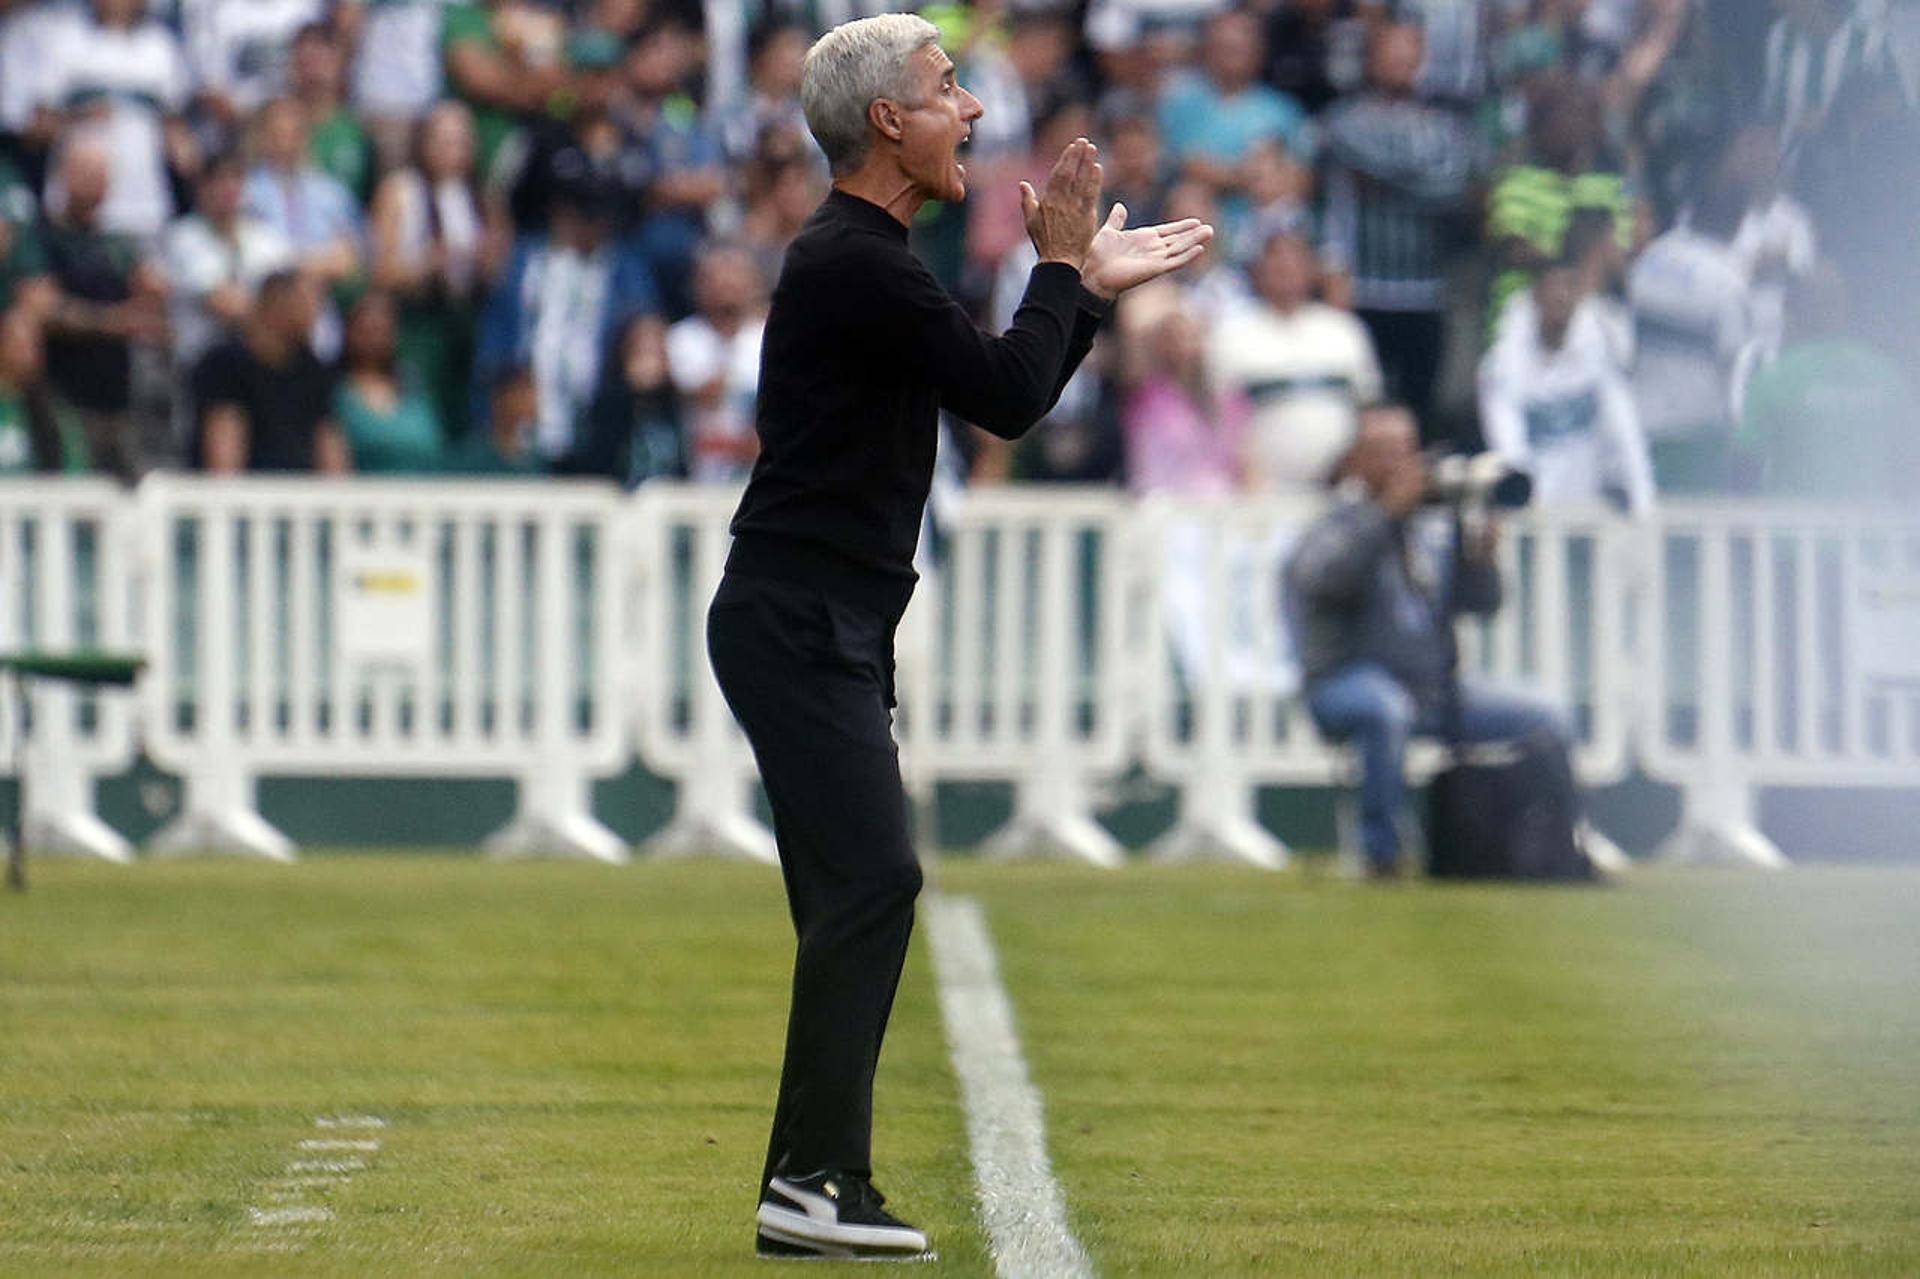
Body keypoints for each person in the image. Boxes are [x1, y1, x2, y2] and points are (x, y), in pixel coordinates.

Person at [706, 14, 1210, 1261]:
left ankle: (808, 1181)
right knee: (872, 885)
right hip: (800, 617)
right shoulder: (860, 258)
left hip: (815, 616)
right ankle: (814, 1180)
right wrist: (1067, 274)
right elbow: (1004, 393)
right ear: (887, 121)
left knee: (851, 897)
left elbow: (1010, 390)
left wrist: (1074, 286)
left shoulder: (865, 256)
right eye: (947, 89)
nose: (974, 110)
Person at [1285, 404, 1572, 878]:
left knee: (1547, 713)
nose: (1398, 463)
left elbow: (1481, 606)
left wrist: (1481, 560)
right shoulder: (1335, 523)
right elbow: (1326, 581)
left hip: (1433, 689)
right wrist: (1384, 517)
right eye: (1381, 451)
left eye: (1404, 450)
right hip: (1344, 681)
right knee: (1386, 708)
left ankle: (1557, 848)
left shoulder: (1431, 528)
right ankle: (1381, 855)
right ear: (1354, 460)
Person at [1317, 22, 1477, 434]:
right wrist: (1423, 184)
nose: (1400, 60)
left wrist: (1387, 185)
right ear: (1372, 57)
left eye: (1410, 51)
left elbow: (1455, 188)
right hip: (1364, 286)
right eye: (1391, 50)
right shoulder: (1343, 120)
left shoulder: (1445, 127)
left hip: (1425, 290)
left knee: (1421, 411)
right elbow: (1339, 191)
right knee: (1364, 409)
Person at [1208, 230, 1382, 492]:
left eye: (1295, 262)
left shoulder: (1344, 330)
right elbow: (1214, 418)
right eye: (1276, 263)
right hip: (1260, 494)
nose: (1286, 270)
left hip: (1341, 493)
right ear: (1258, 272)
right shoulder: (1228, 335)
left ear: (1311, 270)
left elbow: (1369, 408)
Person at [1478, 258, 1655, 513]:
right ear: (1536, 296)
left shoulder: (1601, 350)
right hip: (1533, 510)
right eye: (1553, 288)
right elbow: (1509, 447)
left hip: (1592, 504)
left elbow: (1625, 432)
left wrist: (1642, 501)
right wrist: (1529, 506)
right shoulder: (1502, 365)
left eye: (1570, 288)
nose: (1561, 297)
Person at [191, 268, 348, 473]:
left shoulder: (313, 369)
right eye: (307, 302)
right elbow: (224, 440)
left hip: (303, 494)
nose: (314, 313)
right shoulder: (225, 364)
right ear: (276, 303)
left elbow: (327, 440)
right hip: (248, 494)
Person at [333, 289, 445, 473]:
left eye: (382, 330)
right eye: (367, 330)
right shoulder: (336, 393)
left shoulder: (415, 387)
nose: (374, 339)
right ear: (349, 332)